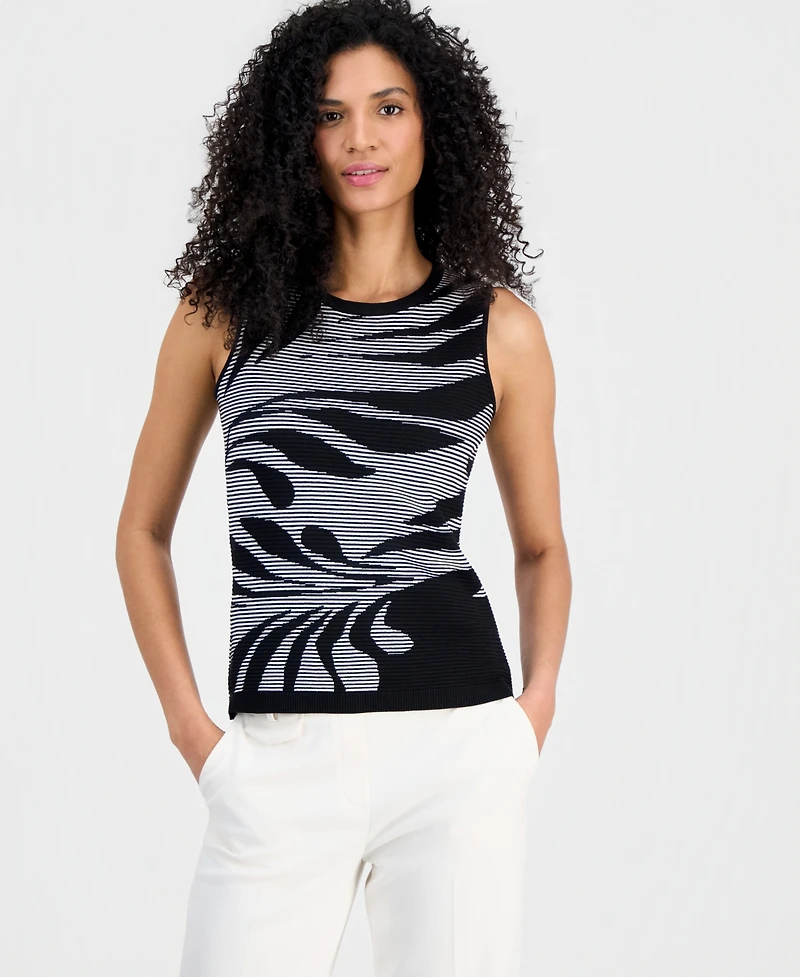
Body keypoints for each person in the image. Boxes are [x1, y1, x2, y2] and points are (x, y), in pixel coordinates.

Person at [115, 0, 571, 973]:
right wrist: (195, 735)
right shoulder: (221, 318)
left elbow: (540, 545)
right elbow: (141, 531)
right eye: (330, 114)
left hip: (456, 749)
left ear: (433, 124)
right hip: (276, 759)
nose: (361, 137)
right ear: (295, 137)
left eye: (388, 107)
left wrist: (528, 715)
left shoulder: (498, 329)